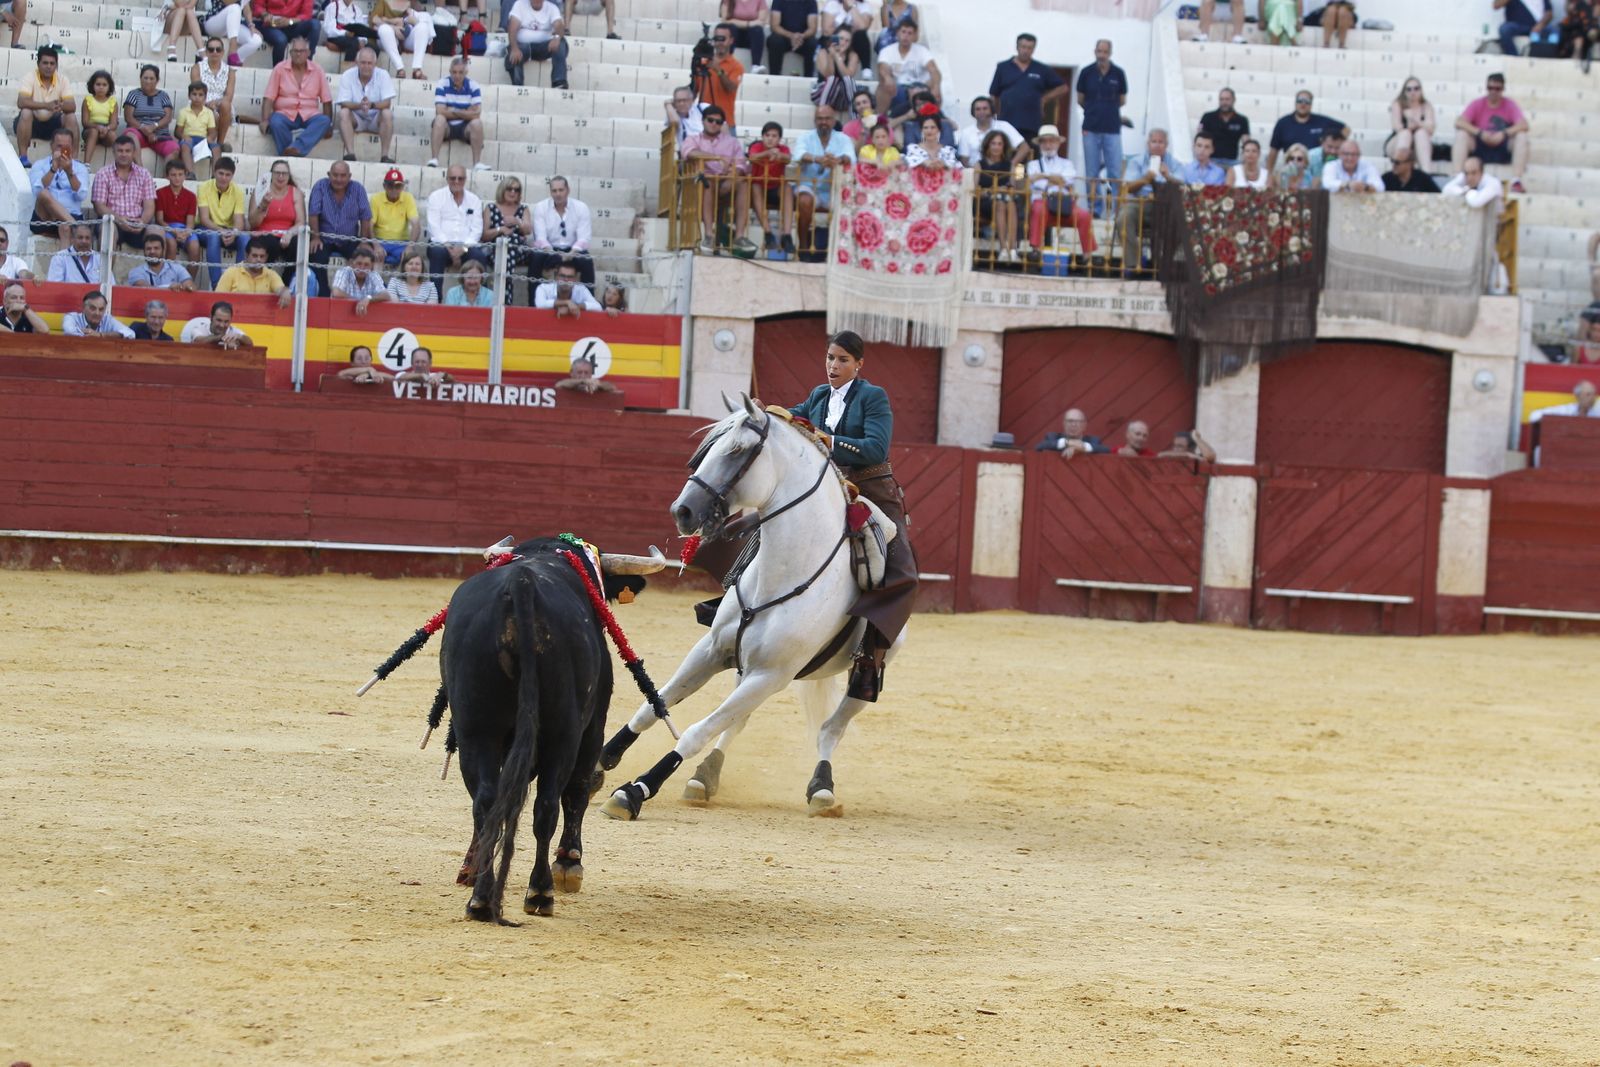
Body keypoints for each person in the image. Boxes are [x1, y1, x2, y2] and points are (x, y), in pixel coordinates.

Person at [779, 330, 916, 702]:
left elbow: (875, 448)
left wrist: (831, 441)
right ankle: (733, 604)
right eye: (830, 358)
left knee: (901, 567)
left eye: (842, 360)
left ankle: (870, 657)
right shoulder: (819, 396)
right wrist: (767, 414)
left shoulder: (873, 396)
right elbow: (792, 417)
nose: (833, 366)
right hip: (828, 487)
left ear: (858, 364)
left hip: (871, 489)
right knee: (763, 525)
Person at [681, 104, 753, 255]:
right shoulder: (693, 139)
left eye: (718, 122)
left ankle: (739, 236)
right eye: (710, 120)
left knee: (743, 184)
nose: (714, 124)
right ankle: (709, 235)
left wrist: (732, 175)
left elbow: (741, 165)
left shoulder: (732, 142)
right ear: (703, 120)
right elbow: (689, 152)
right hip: (702, 184)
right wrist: (716, 157)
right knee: (709, 182)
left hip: (727, 181)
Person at [792, 103, 855, 259]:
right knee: (804, 201)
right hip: (809, 186)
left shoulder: (843, 139)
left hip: (834, 189)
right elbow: (798, 155)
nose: (823, 122)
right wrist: (817, 159)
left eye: (827, 118)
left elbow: (850, 158)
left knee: (851, 204)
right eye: (820, 119)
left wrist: (837, 161)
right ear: (815, 120)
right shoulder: (805, 137)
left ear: (834, 121)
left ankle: (840, 251)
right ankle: (803, 246)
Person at [1025, 124, 1096, 257]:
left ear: (1058, 143)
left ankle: (1088, 255)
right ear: (1039, 144)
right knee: (1038, 210)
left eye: (1051, 141)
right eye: (1044, 142)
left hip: (1064, 204)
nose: (1048, 145)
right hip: (1043, 202)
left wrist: (1043, 176)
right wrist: (1057, 179)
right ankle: (1036, 249)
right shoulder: (1032, 165)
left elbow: (1067, 180)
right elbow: (1040, 184)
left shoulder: (1067, 163)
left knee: (1084, 216)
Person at [306, 159, 373, 296]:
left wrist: (363, 241)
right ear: (329, 174)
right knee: (316, 255)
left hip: (350, 239)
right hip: (324, 238)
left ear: (349, 176)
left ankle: (359, 295)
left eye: (343, 175)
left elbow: (365, 216)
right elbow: (313, 213)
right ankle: (323, 296)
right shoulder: (320, 186)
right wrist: (315, 237)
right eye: (335, 175)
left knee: (364, 257)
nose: (339, 179)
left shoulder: (358, 189)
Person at [1076, 39, 1127, 219]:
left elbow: (1122, 100)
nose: (1102, 55)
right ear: (1095, 51)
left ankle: (1116, 211)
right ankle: (1095, 210)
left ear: (1110, 53)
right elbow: (1080, 99)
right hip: (1090, 128)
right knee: (1092, 172)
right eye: (1099, 51)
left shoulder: (1118, 73)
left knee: (1115, 171)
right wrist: (1094, 110)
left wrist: (1107, 110)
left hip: (1112, 128)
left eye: (1105, 52)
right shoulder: (1086, 72)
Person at [1454, 73, 1529, 194]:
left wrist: (1504, 134)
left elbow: (1524, 125)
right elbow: (1459, 122)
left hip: (1502, 146)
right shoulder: (1478, 104)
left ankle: (1516, 180)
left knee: (1522, 136)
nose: (1493, 92)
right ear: (1486, 88)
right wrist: (1479, 133)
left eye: (1497, 89)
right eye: (1490, 88)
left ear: (1503, 89)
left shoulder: (1509, 105)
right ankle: (1458, 178)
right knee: (1461, 135)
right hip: (1480, 145)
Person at [989, 33, 1067, 145]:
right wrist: (995, 116)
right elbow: (994, 94)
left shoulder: (1041, 69)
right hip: (1007, 122)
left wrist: (1044, 99)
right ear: (1017, 47)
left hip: (1031, 123)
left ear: (1034, 49)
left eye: (1029, 48)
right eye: (1023, 47)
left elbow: (1063, 88)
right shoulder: (1003, 67)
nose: (1026, 51)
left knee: (1029, 152)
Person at [262, 37, 332, 159]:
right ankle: (290, 152)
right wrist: (264, 120)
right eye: (295, 51)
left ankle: (295, 148)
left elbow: (327, 100)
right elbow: (269, 97)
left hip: (309, 114)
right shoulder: (280, 68)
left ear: (308, 53)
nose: (298, 54)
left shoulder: (318, 70)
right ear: (290, 53)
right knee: (275, 121)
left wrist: (328, 126)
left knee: (324, 120)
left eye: (302, 51)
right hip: (285, 113)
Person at [1116, 128, 1174, 269]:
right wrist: (1145, 179)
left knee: (1180, 218)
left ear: (1166, 145)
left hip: (1164, 205)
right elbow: (1127, 187)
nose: (1157, 145)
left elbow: (1182, 187)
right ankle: (1133, 264)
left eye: (1161, 142)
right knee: (1124, 216)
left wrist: (1168, 177)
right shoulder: (1137, 162)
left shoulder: (1174, 163)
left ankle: (1163, 264)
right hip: (1140, 203)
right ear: (1148, 144)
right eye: (1154, 141)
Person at [14, 46, 79, 167]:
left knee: (71, 117)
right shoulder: (30, 76)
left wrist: (60, 105)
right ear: (38, 64)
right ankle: (23, 157)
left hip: (53, 123)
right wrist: (46, 106)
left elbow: (72, 106)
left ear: (56, 66)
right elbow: (21, 102)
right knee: (26, 112)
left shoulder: (62, 79)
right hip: (32, 123)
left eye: (52, 63)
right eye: (45, 63)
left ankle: (72, 159)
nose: (49, 66)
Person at [426, 164, 483, 291]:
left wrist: (463, 248)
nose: (456, 181)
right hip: (442, 245)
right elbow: (433, 227)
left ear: (465, 179)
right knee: (437, 252)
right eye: (453, 178)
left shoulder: (474, 200)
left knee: (479, 256)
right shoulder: (436, 197)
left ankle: (480, 298)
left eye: (460, 178)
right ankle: (435, 297)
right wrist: (450, 248)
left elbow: (477, 230)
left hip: (466, 246)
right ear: (447, 179)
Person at [29, 129, 92, 244]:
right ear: (51, 146)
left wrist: (70, 172)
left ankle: (72, 228)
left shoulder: (80, 168)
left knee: (65, 227)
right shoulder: (40, 165)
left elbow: (81, 195)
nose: (62, 150)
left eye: (66, 147)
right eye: (59, 146)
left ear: (72, 147)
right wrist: (53, 169)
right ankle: (77, 228)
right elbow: (37, 191)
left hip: (71, 214)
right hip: (45, 217)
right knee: (44, 193)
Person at [529, 175, 594, 284]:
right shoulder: (541, 207)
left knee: (586, 260)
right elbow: (540, 239)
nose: (558, 194)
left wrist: (570, 254)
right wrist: (556, 255)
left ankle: (589, 295)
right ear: (550, 192)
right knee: (536, 258)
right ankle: (533, 295)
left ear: (568, 190)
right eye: (554, 191)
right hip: (549, 250)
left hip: (573, 250)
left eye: (561, 190)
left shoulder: (581, 207)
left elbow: (584, 239)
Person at [337, 46, 397, 164]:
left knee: (387, 113)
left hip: (376, 118)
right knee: (343, 113)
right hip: (356, 117)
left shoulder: (383, 75)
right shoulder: (347, 75)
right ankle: (350, 154)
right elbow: (343, 103)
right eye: (363, 62)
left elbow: (387, 103)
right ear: (357, 63)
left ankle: (384, 156)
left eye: (369, 63)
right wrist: (360, 106)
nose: (366, 66)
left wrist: (372, 105)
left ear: (375, 64)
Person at [1265, 89, 1348, 174]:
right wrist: (1268, 173)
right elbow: (1273, 151)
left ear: (1311, 104)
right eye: (1300, 101)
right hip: (1292, 169)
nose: (1303, 104)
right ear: (1295, 102)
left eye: (1307, 101)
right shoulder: (1283, 123)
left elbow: (1346, 129)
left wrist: (1334, 147)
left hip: (1316, 170)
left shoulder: (1321, 121)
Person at [469, 177, 533, 285]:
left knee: (511, 241)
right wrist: (500, 230)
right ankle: (505, 287)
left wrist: (517, 221)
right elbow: (484, 235)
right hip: (495, 249)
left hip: (518, 251)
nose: (513, 192)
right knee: (504, 245)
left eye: (516, 190)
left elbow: (528, 230)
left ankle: (502, 285)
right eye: (509, 189)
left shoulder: (523, 209)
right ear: (502, 189)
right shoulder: (490, 208)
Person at [196, 155, 247, 289]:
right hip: (206, 229)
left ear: (232, 176)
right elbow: (204, 219)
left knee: (245, 238)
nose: (224, 178)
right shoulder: (204, 187)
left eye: (227, 175)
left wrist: (234, 233)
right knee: (214, 236)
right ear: (214, 172)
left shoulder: (238, 191)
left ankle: (239, 283)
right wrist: (222, 231)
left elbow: (239, 221)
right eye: (221, 173)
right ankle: (217, 286)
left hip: (228, 230)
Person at [429, 56, 488, 171]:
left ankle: (477, 163)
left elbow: (476, 114)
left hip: (465, 127)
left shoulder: (474, 86)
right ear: (450, 72)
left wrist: (454, 110)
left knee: (477, 123)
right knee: (439, 119)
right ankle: (434, 159)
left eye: (460, 72)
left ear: (466, 73)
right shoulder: (442, 83)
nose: (457, 76)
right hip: (447, 126)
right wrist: (466, 111)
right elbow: (440, 111)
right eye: (454, 72)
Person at [746, 122, 794, 256]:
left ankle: (787, 235)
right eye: (767, 135)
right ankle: (768, 233)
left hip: (776, 187)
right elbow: (752, 157)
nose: (770, 139)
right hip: (759, 187)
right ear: (762, 136)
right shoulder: (757, 146)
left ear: (779, 139)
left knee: (787, 187)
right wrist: (767, 153)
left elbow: (788, 158)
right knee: (755, 186)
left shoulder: (783, 148)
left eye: (774, 136)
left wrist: (779, 155)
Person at [248, 159, 306, 268]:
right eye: (277, 173)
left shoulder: (296, 193)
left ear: (288, 176)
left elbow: (301, 222)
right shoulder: (261, 190)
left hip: (287, 234)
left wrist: (289, 233)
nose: (281, 176)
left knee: (297, 244)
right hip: (264, 234)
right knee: (270, 243)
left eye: (284, 173)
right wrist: (263, 205)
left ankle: (288, 277)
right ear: (271, 175)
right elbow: (253, 223)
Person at [874, 19, 938, 117]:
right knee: (883, 85)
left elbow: (933, 69)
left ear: (914, 36)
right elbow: (883, 67)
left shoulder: (922, 51)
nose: (906, 36)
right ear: (897, 33)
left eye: (909, 33)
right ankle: (880, 119)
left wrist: (935, 86)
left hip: (919, 87)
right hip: (896, 89)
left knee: (933, 85)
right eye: (903, 32)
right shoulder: (887, 51)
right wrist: (887, 78)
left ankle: (932, 117)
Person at [974, 130, 1019, 264]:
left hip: (1006, 200)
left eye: (1000, 144)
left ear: (1004, 146)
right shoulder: (979, 164)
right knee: (1001, 203)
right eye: (993, 143)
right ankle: (1004, 248)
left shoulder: (1009, 165)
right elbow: (975, 190)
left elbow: (1012, 187)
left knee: (1009, 203)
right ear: (987, 145)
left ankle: (1012, 250)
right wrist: (991, 191)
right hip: (985, 202)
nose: (996, 147)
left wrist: (1005, 190)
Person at [504, 0, 569, 90]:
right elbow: (512, 27)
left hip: (544, 47)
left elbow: (559, 25)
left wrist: (557, 37)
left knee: (561, 43)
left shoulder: (552, 8)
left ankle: (559, 81)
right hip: (523, 46)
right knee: (513, 55)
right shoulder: (520, 4)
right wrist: (514, 48)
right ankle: (517, 87)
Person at [123, 65, 180, 164]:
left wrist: (154, 126)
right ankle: (140, 170)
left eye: (151, 78)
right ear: (140, 78)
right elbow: (129, 118)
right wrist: (145, 130)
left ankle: (167, 174)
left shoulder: (163, 96)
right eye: (145, 78)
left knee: (174, 149)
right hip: (138, 132)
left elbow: (168, 117)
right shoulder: (134, 94)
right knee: (131, 136)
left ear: (157, 80)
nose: (148, 81)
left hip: (159, 135)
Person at [216, 239, 295, 310]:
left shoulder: (271, 275)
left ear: (266, 257)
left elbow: (280, 288)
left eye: (262, 256)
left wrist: (285, 291)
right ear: (246, 255)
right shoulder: (231, 272)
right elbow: (218, 298)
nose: (258, 260)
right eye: (254, 256)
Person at [191, 37, 238, 153]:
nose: (215, 52)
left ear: (222, 52)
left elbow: (229, 95)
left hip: (221, 104)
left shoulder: (230, 71)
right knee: (213, 114)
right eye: (211, 49)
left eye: (218, 49)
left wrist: (216, 103)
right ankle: (210, 144)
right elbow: (196, 90)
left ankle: (220, 143)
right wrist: (207, 104)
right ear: (206, 52)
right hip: (200, 101)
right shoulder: (197, 68)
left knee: (226, 104)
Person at [955, 95, 1026, 169]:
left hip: (1002, 173)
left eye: (985, 108)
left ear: (991, 110)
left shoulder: (1004, 126)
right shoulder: (966, 133)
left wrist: (1011, 165)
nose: (981, 112)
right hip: (976, 172)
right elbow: (964, 160)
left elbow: (1024, 147)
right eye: (978, 109)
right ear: (973, 113)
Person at [370, 166, 422, 265]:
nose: (394, 189)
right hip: (380, 241)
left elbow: (416, 225)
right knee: (375, 256)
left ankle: (398, 275)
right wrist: (376, 245)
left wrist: (410, 246)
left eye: (398, 186)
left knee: (408, 258)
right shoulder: (376, 199)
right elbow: (369, 225)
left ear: (402, 187)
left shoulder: (408, 198)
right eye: (390, 185)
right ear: (384, 186)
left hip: (401, 243)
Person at [372, 0, 435, 80]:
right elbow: (374, 20)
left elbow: (415, 19)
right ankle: (400, 68)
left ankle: (417, 69)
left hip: (405, 36)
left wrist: (405, 20)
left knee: (423, 27)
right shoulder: (383, 2)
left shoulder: (409, 3)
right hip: (387, 38)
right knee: (384, 29)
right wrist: (394, 27)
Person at [697, 23, 744, 119]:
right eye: (716, 39)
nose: (719, 43)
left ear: (731, 40)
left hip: (725, 120)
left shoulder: (736, 66)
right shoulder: (704, 62)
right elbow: (695, 89)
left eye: (722, 39)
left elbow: (731, 88)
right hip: (703, 119)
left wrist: (718, 70)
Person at [255, 0, 322, 66]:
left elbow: (306, 14)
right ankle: (278, 71)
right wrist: (265, 15)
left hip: (293, 25)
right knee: (281, 40)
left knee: (315, 24)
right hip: (271, 25)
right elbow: (258, 5)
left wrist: (290, 21)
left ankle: (305, 66)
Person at [1388, 78, 1435, 169]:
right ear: (1404, 92)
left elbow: (1431, 129)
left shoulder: (1426, 106)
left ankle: (1426, 172)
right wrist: (1409, 128)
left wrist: (1415, 121)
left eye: (1416, 88)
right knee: (1406, 134)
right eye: (1409, 89)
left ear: (1421, 90)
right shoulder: (1398, 104)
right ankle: (1399, 169)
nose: (1412, 92)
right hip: (1398, 142)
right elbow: (1397, 127)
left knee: (1421, 133)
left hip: (1419, 145)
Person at [174, 81, 219, 176]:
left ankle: (215, 175)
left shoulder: (208, 113)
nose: (197, 97)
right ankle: (190, 173)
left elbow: (212, 132)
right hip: (189, 138)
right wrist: (183, 136)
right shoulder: (183, 112)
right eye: (194, 94)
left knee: (216, 148)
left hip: (203, 139)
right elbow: (177, 132)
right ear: (189, 96)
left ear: (205, 97)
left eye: (200, 95)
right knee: (185, 147)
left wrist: (210, 138)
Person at [203, 0, 265, 67]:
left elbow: (246, 9)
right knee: (235, 7)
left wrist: (251, 26)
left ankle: (233, 60)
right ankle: (232, 50)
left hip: (232, 25)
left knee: (256, 40)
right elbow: (227, 2)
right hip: (214, 24)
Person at [1199, 87, 1250, 169]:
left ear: (1234, 100)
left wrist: (1245, 159)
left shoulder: (1242, 120)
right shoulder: (1208, 117)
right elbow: (1199, 139)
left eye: (1227, 99)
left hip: (1232, 162)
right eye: (1221, 99)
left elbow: (1246, 143)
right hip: (1211, 161)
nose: (1224, 102)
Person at [332, 244, 390, 314]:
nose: (362, 268)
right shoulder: (344, 272)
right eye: (359, 264)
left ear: (371, 266)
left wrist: (368, 298)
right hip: (340, 313)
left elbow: (386, 295)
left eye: (366, 265)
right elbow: (336, 293)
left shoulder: (373, 274)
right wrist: (360, 301)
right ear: (352, 263)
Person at [767, 0, 818, 78]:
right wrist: (791, 36)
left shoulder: (810, 2)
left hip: (802, 39)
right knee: (774, 40)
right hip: (784, 37)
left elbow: (812, 28)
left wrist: (801, 36)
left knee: (812, 43)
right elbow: (774, 26)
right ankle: (774, 77)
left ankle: (809, 78)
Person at [128, 232, 196, 290]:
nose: (152, 251)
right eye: (148, 249)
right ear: (144, 252)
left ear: (163, 250)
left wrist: (185, 287)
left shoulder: (178, 268)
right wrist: (169, 288)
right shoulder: (136, 272)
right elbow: (146, 289)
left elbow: (191, 285)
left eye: (156, 248)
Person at [534, 262, 602, 317]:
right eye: (562, 276)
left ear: (575, 279)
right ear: (556, 277)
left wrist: (575, 306)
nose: (566, 279)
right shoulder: (543, 288)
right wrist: (567, 302)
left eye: (570, 277)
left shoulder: (581, 289)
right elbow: (540, 305)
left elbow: (598, 307)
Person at [81, 70, 120, 165]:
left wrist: (107, 128)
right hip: (90, 129)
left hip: (106, 130)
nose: (101, 87)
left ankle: (120, 164)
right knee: (94, 132)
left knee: (113, 135)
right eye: (98, 84)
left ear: (109, 86)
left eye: (104, 85)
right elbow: (85, 122)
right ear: (92, 85)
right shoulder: (88, 100)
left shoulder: (112, 102)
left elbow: (114, 123)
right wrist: (97, 127)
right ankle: (86, 164)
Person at [721, 0, 769, 76]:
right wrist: (748, 24)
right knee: (731, 28)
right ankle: (727, 63)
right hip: (734, 36)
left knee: (757, 30)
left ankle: (755, 66)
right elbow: (724, 20)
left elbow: (761, 22)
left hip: (751, 37)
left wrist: (734, 21)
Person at [62, 291, 136, 339]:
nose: (97, 313)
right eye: (93, 308)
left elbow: (131, 334)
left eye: (101, 309)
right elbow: (69, 332)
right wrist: (92, 335)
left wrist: (101, 335)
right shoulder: (72, 317)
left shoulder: (107, 319)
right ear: (83, 308)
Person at [181, 300, 254, 347]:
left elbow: (250, 343)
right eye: (219, 320)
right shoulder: (199, 328)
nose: (222, 325)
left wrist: (240, 337)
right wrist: (221, 338)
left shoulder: (233, 331)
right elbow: (199, 341)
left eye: (226, 321)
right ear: (211, 317)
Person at [1035, 408, 1104, 455]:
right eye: (1070, 421)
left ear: (1084, 425)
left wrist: (1082, 447)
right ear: (1064, 424)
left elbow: (1105, 450)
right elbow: (1039, 447)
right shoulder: (1052, 437)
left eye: (1078, 422)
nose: (1073, 425)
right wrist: (1067, 442)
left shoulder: (1093, 440)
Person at [662, 85, 705, 149]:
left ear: (691, 100)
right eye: (678, 101)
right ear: (674, 102)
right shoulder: (673, 114)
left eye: (684, 100)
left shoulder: (701, 108)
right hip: (690, 151)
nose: (681, 103)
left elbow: (720, 122)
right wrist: (667, 104)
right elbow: (674, 122)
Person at [556, 356, 622, 393]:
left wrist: (598, 385)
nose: (583, 376)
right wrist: (583, 381)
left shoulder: (593, 384)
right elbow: (559, 385)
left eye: (586, 373)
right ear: (571, 373)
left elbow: (612, 387)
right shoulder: (567, 384)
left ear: (591, 374)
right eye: (579, 372)